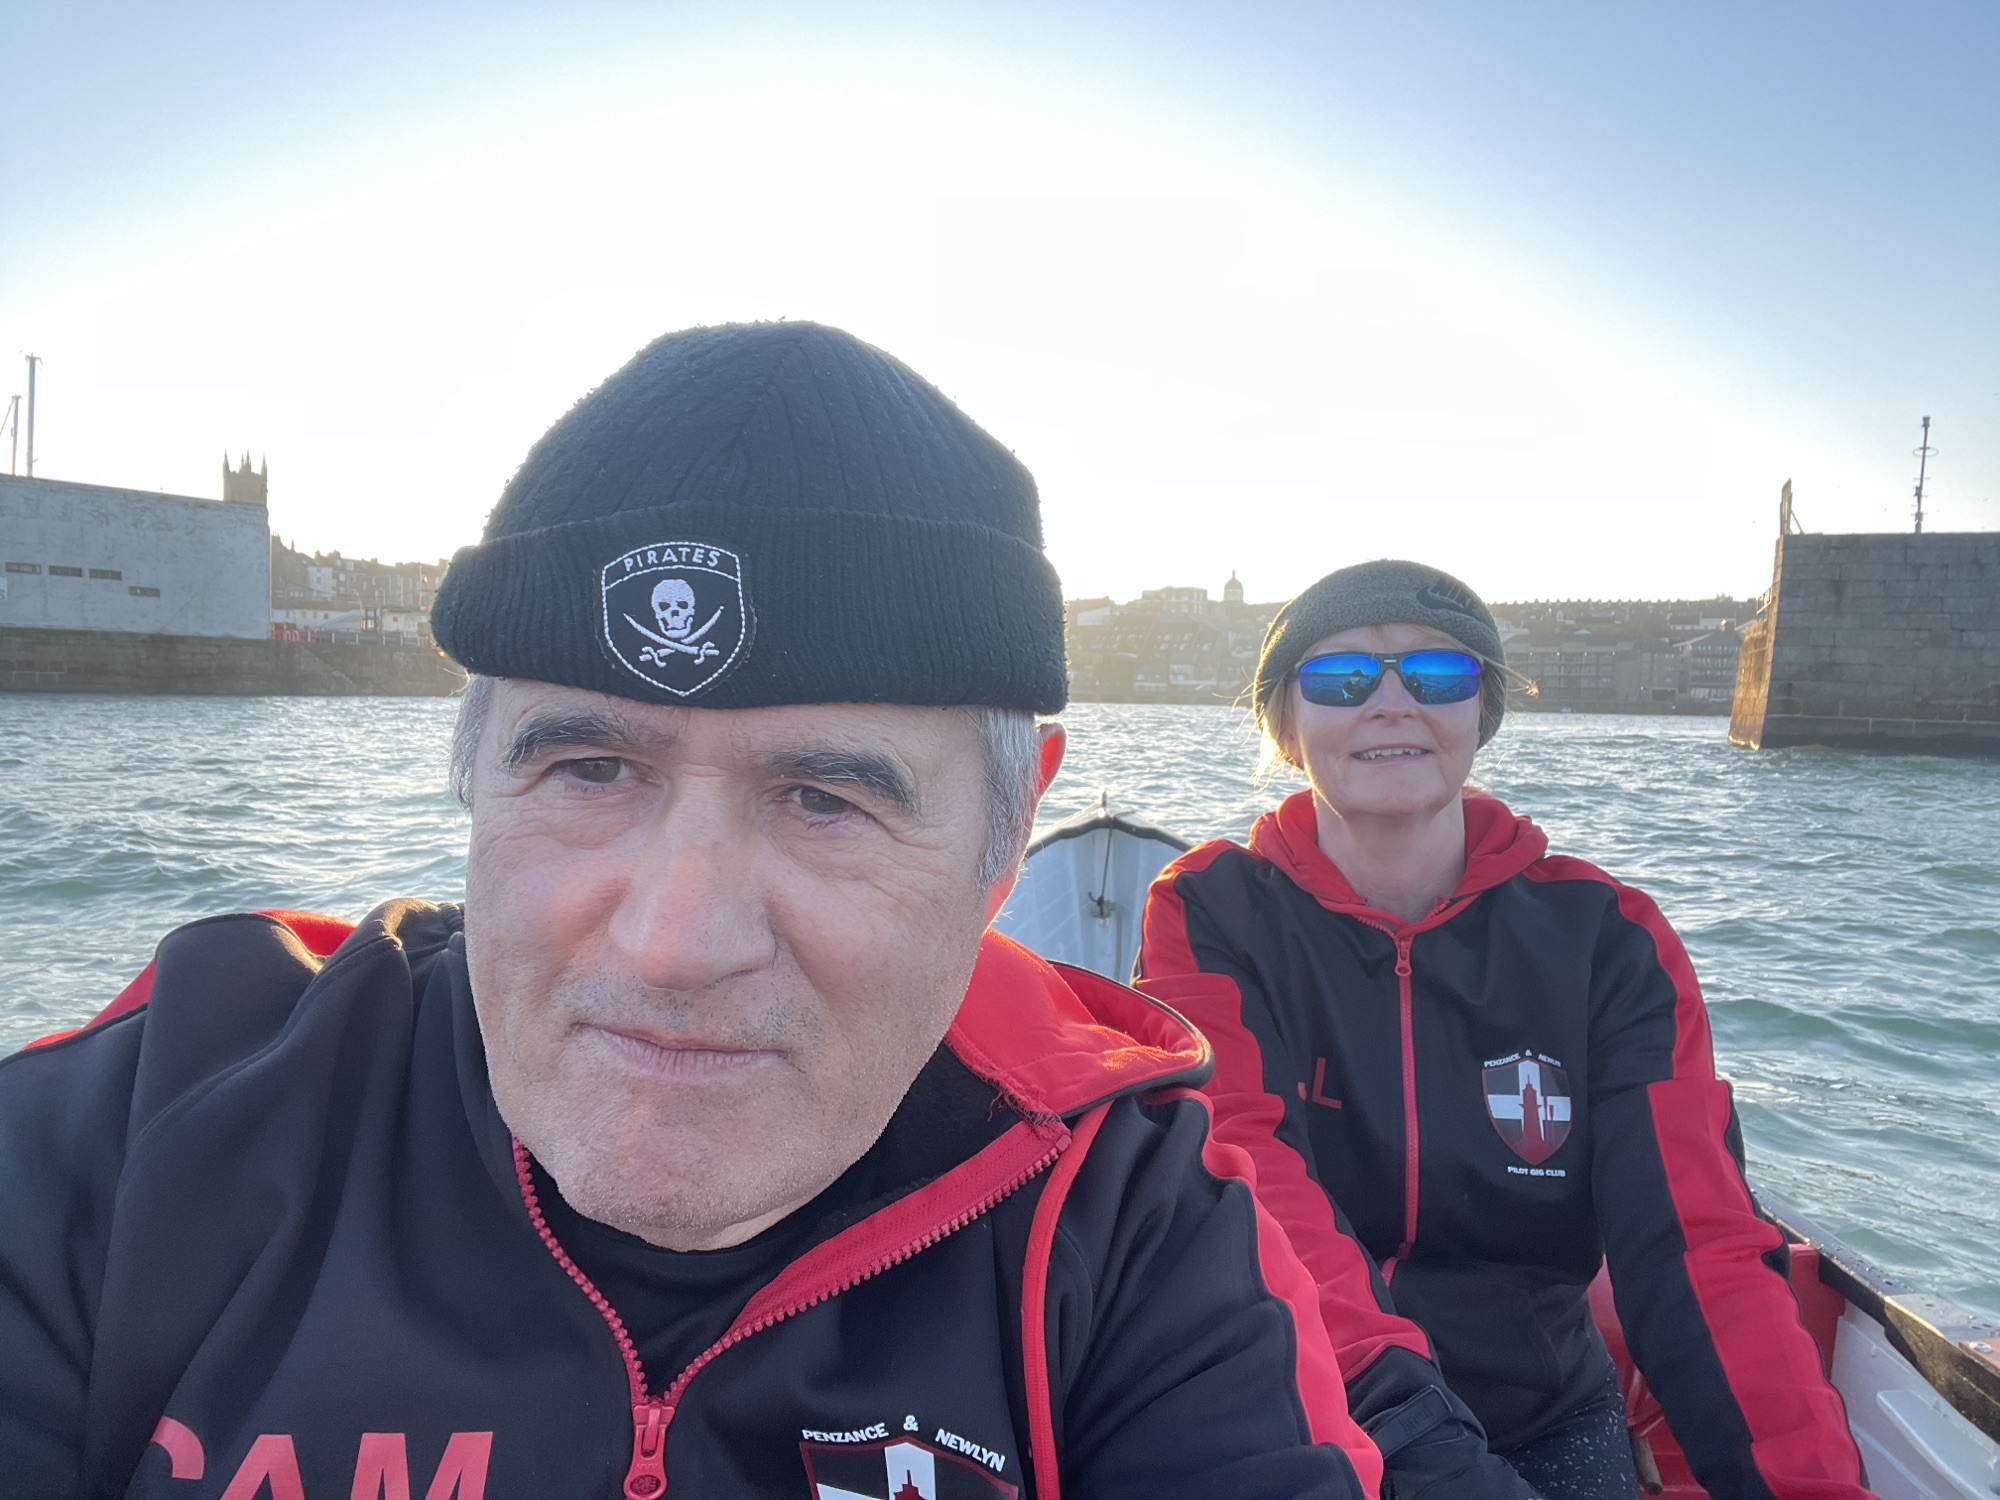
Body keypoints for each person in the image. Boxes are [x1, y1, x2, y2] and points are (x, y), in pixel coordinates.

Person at [0, 325, 1383, 1499]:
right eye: (590, 771)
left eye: (824, 801)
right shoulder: (140, 1131)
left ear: (1007, 833)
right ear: (472, 775)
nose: (676, 940)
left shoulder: (1130, 1227)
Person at [1135, 560, 1872, 1500]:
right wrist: (1416, 1436)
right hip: (1293, 1399)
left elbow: (1694, 1240)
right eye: (1341, 679)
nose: (1392, 702)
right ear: (1285, 723)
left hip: (1539, 1415)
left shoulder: (1608, 938)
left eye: (1438, 675)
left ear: (1482, 712)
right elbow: (1247, 1180)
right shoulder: (1209, 912)